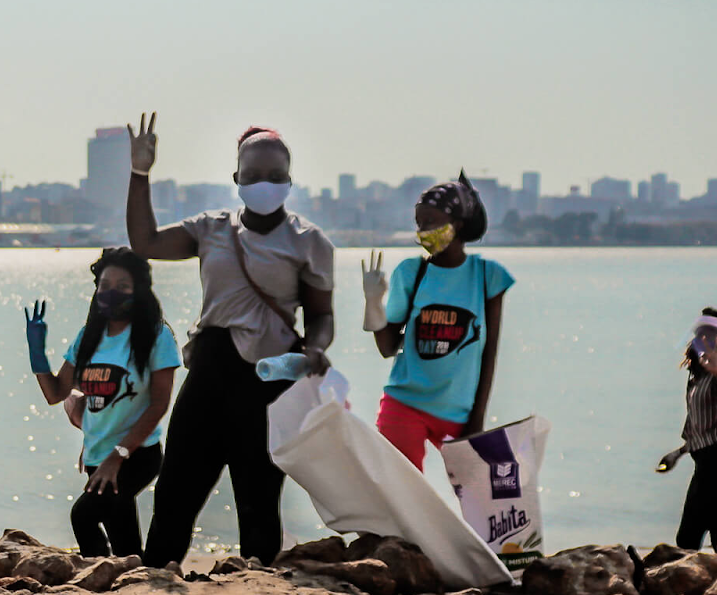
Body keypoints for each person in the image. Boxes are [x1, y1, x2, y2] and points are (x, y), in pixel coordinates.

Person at [125, 114, 336, 569]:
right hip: (209, 372)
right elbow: (144, 242)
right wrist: (140, 173)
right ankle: (155, 579)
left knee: (258, 493)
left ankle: (254, 588)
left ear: (289, 181)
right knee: (177, 488)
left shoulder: (309, 242)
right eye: (254, 175)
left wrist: (317, 348)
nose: (265, 184)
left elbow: (321, 316)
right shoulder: (211, 228)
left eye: (276, 177)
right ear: (236, 178)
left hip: (267, 381)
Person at [25, 247, 181, 557]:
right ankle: (127, 584)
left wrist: (117, 456)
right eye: (105, 286)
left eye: (122, 287)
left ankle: (97, 577)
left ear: (139, 291)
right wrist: (36, 352)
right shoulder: (88, 337)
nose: (111, 293)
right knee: (125, 543)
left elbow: (159, 404)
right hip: (97, 456)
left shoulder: (156, 337)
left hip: (136, 454)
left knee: (82, 516)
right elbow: (56, 393)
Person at [363, 171, 514, 469]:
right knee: (398, 495)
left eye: (431, 222)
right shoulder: (410, 272)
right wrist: (373, 302)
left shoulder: (487, 276)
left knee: (480, 502)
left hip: (459, 414)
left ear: (457, 224)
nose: (423, 231)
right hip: (404, 404)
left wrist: (477, 420)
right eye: (419, 223)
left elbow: (489, 352)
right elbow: (387, 347)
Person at [659, 309, 717, 550]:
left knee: (689, 536)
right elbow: (702, 426)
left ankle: (692, 580)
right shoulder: (699, 376)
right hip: (707, 459)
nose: (700, 339)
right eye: (699, 333)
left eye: (709, 335)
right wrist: (679, 453)